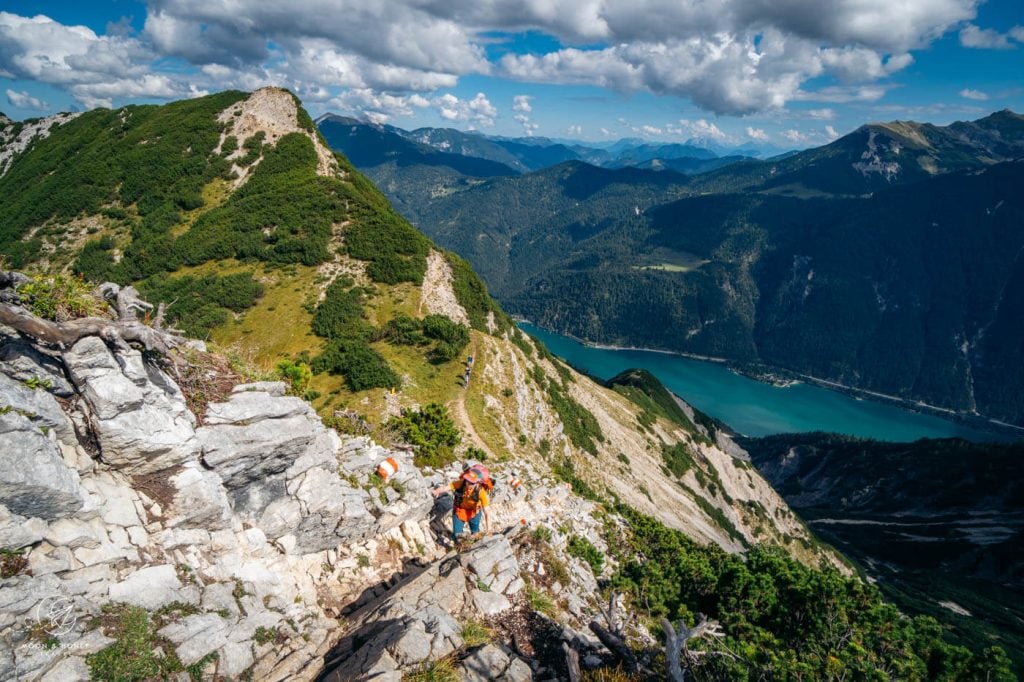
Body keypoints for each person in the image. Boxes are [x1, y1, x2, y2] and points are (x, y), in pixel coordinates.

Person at [433, 468, 491, 539]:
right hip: (459, 510)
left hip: (474, 512)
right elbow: (446, 488)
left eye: (471, 482)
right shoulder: (461, 483)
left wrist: (488, 529)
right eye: (467, 480)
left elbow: (487, 512)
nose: (468, 484)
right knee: (456, 535)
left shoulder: (481, 492)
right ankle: (459, 546)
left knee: (475, 533)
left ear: (477, 482)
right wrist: (436, 491)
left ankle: (474, 543)